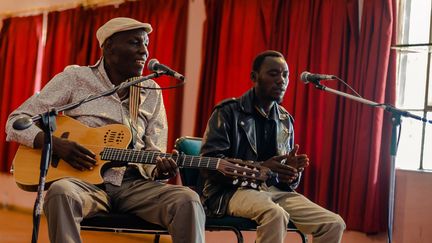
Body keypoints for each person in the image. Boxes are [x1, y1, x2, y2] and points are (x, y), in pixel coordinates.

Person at [6, 17, 205, 243]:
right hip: (84, 184)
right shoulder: (75, 79)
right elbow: (16, 122)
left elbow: (154, 151)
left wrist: (160, 172)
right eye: (135, 43)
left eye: (146, 44)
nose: (144, 52)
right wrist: (55, 144)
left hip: (135, 185)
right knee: (61, 192)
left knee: (187, 200)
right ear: (108, 46)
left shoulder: (151, 90)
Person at [200, 50, 345, 243]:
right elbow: (209, 165)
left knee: (333, 223)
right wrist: (260, 167)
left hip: (274, 192)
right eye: (273, 74)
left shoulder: (285, 119)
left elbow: (284, 179)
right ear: (254, 77)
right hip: (231, 192)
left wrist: (292, 173)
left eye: (285, 75)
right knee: (275, 214)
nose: (281, 80)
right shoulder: (227, 112)